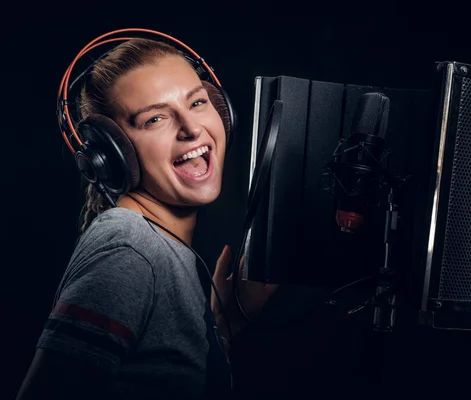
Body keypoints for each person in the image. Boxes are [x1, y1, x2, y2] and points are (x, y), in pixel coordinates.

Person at [16, 33, 278, 399]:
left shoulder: (160, 250)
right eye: (155, 119)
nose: (191, 129)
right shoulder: (129, 248)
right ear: (111, 153)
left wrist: (220, 327)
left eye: (198, 102)